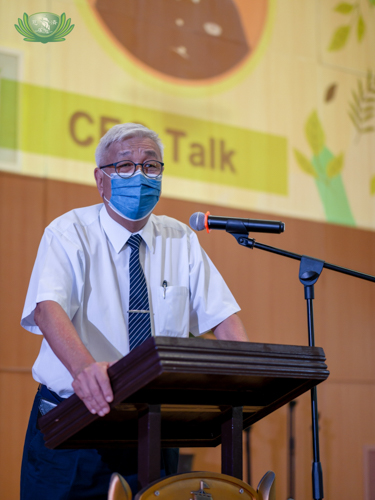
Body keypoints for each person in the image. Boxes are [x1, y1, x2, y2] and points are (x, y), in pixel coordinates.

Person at [20, 123, 248, 499]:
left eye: (151, 166)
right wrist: (84, 370)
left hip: (154, 426)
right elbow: (47, 309)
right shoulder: (68, 232)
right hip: (74, 424)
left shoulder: (180, 239)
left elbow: (223, 318)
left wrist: (242, 378)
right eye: (124, 166)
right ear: (100, 179)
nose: (140, 176)